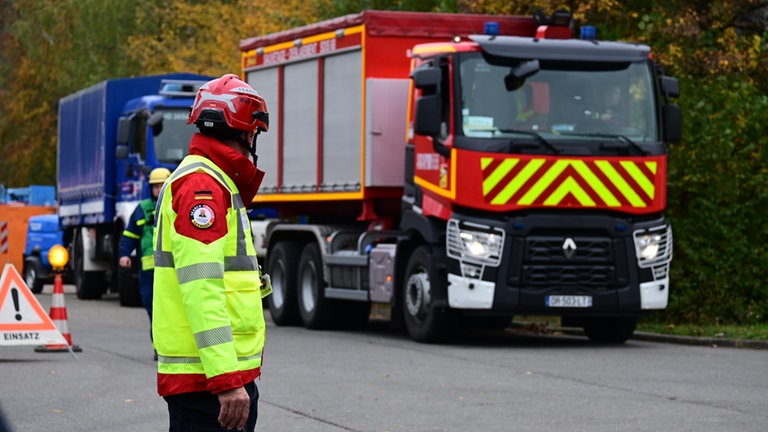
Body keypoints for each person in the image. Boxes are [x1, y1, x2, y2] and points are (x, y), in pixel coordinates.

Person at [152, 74, 271, 432]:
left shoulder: (208, 180)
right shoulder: (204, 186)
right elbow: (202, 288)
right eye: (255, 133)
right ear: (247, 133)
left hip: (211, 376)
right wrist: (226, 379)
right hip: (209, 381)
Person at [118, 166, 170, 358]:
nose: (158, 190)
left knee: (169, 312)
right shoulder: (143, 209)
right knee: (153, 311)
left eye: (162, 186)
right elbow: (130, 235)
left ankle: (168, 347)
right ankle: (158, 347)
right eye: (155, 187)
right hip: (148, 272)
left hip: (171, 271)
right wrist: (124, 254)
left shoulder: (175, 206)